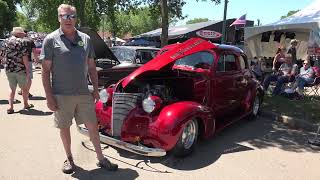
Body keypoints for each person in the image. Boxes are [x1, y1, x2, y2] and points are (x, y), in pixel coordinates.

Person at [40, 4, 118, 174]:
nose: (68, 19)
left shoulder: (86, 39)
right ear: (58, 18)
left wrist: (96, 89)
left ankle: (101, 158)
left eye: (72, 16)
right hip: (61, 95)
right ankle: (69, 159)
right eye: (64, 16)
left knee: (92, 127)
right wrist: (49, 97)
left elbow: (91, 67)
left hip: (84, 94)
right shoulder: (50, 40)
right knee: (64, 128)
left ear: (76, 18)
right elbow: (45, 71)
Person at [2, 27, 33, 114]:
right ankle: (26, 104)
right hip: (20, 69)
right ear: (18, 34)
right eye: (22, 33)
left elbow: (3, 54)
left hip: (9, 68)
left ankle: (10, 107)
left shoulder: (6, 41)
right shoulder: (22, 42)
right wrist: (27, 69)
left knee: (12, 88)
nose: (24, 34)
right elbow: (24, 57)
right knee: (24, 88)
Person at [18, 31, 38, 98]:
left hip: (19, 61)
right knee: (28, 77)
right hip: (28, 60)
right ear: (27, 34)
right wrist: (36, 59)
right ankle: (26, 92)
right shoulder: (30, 41)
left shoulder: (18, 40)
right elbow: (34, 50)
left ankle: (22, 90)